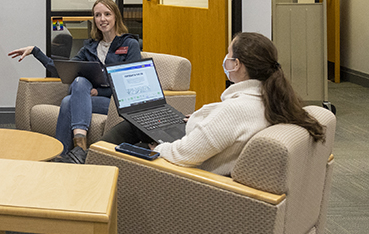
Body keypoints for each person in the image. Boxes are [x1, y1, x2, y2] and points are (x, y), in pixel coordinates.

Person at [101, 32, 326, 176]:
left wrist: (158, 148)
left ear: (236, 64)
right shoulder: (272, 100)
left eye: (228, 54)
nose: (225, 59)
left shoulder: (236, 110)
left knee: (111, 148)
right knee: (134, 126)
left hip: (190, 173)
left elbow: (184, 155)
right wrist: (205, 119)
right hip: (202, 145)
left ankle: (92, 173)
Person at [9, 0, 141, 163]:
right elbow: (64, 69)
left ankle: (64, 153)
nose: (103, 19)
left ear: (116, 17)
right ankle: (77, 150)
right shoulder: (90, 47)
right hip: (90, 100)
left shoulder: (130, 44)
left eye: (107, 14)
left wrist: (100, 91)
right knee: (78, 83)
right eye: (98, 15)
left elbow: (133, 81)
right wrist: (36, 52)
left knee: (68, 101)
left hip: (116, 102)